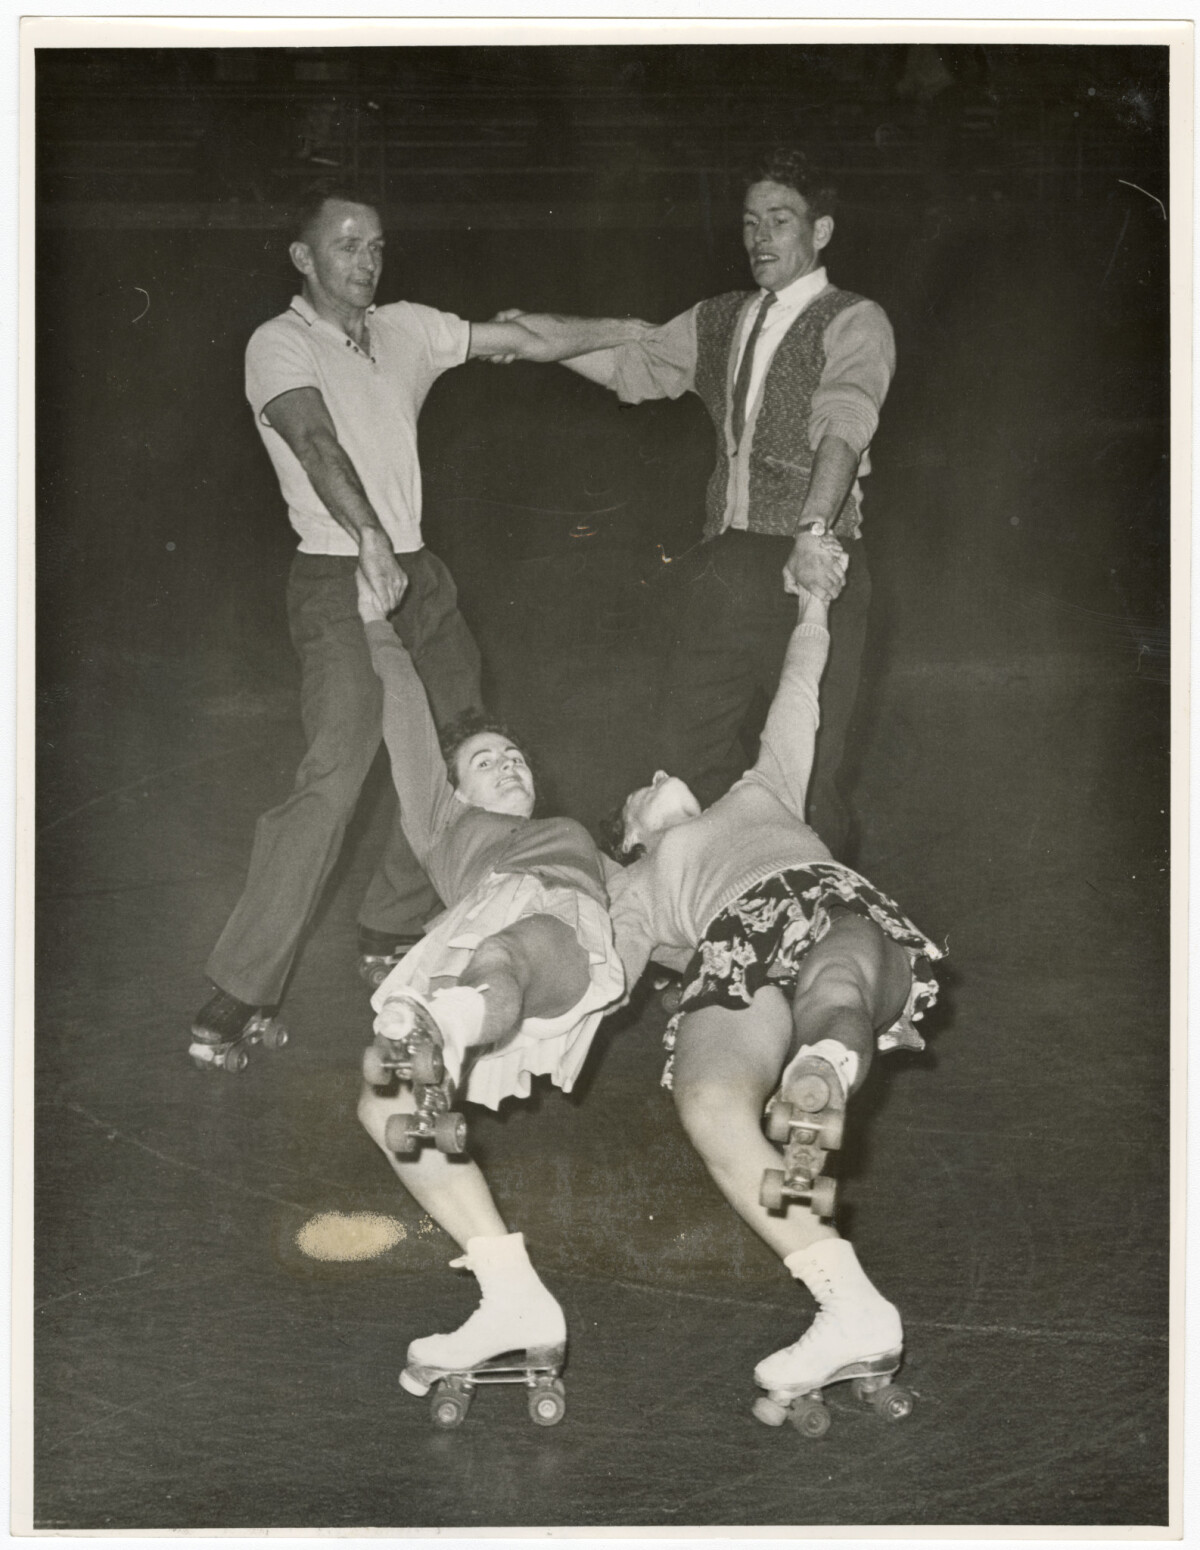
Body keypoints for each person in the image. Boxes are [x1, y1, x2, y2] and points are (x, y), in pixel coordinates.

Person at [190, 187, 654, 1063]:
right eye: (346, 244)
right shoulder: (278, 343)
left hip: (419, 572)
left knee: (460, 751)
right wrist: (366, 539)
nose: (366, 259)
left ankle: (390, 924)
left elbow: (522, 337)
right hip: (336, 572)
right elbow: (314, 440)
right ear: (303, 257)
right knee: (335, 774)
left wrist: (625, 330)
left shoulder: (404, 328)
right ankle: (237, 988)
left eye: (376, 245)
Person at [599, 529, 943, 1428]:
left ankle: (825, 1061)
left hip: (805, 893)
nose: (658, 780)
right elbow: (590, 969)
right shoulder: (634, 891)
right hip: (724, 950)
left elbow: (799, 689)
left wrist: (816, 599)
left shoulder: (763, 787)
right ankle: (849, 1305)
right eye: (640, 793)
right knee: (710, 1103)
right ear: (631, 831)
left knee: (837, 968)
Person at [517, 146, 896, 859]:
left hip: (815, 566)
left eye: (779, 221)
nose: (759, 238)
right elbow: (636, 360)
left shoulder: (855, 318)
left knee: (809, 775)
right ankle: (699, 928)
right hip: (727, 564)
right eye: (750, 222)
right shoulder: (721, 318)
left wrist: (813, 532)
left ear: (821, 232)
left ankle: (822, 934)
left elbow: (843, 424)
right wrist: (534, 342)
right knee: (684, 763)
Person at [351, 570, 624, 1406]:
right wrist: (377, 627)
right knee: (382, 1103)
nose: (508, 765)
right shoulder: (442, 824)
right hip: (468, 942)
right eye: (486, 760)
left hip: (554, 942)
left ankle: (450, 1022)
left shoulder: (577, 847)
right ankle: (511, 1295)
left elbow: (673, 914)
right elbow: (404, 718)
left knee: (506, 952)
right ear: (456, 788)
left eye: (516, 757)